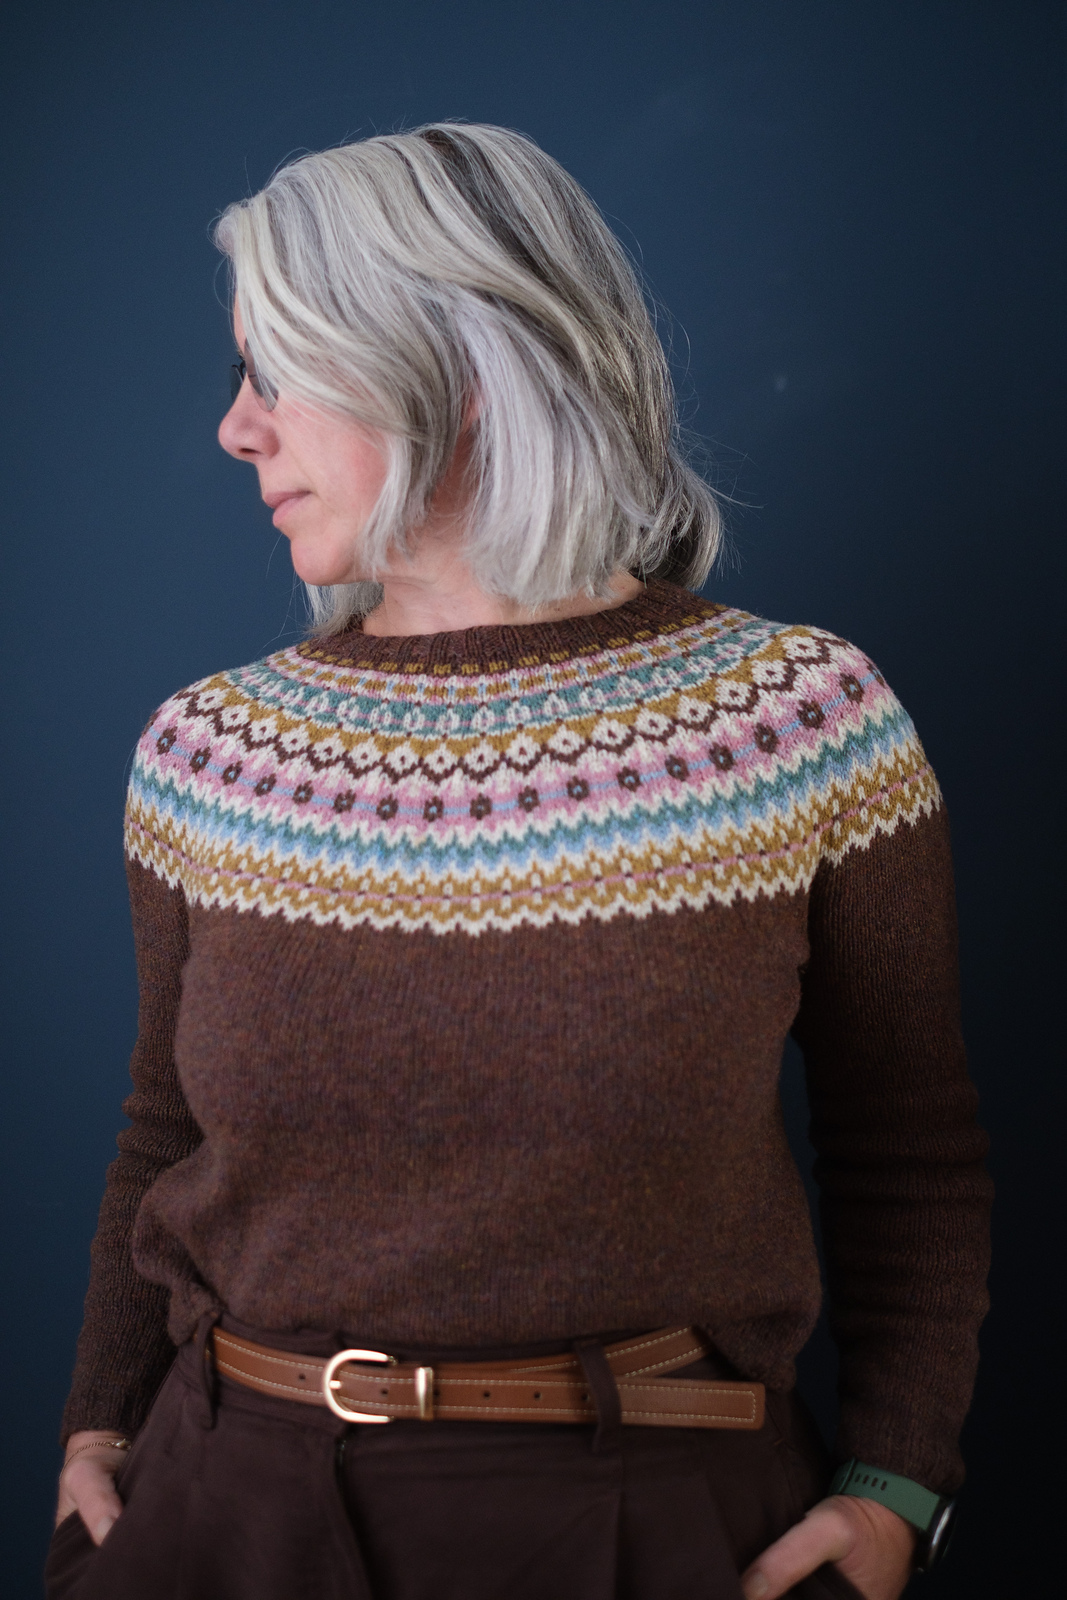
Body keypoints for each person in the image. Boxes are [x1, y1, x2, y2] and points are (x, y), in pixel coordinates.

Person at [49, 123, 991, 1600]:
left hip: (658, 1518)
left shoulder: (801, 722)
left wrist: (896, 1486)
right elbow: (163, 1128)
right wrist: (92, 1435)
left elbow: (910, 1149)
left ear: (456, 363)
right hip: (229, 1512)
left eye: (276, 369)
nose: (239, 428)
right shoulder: (210, 753)